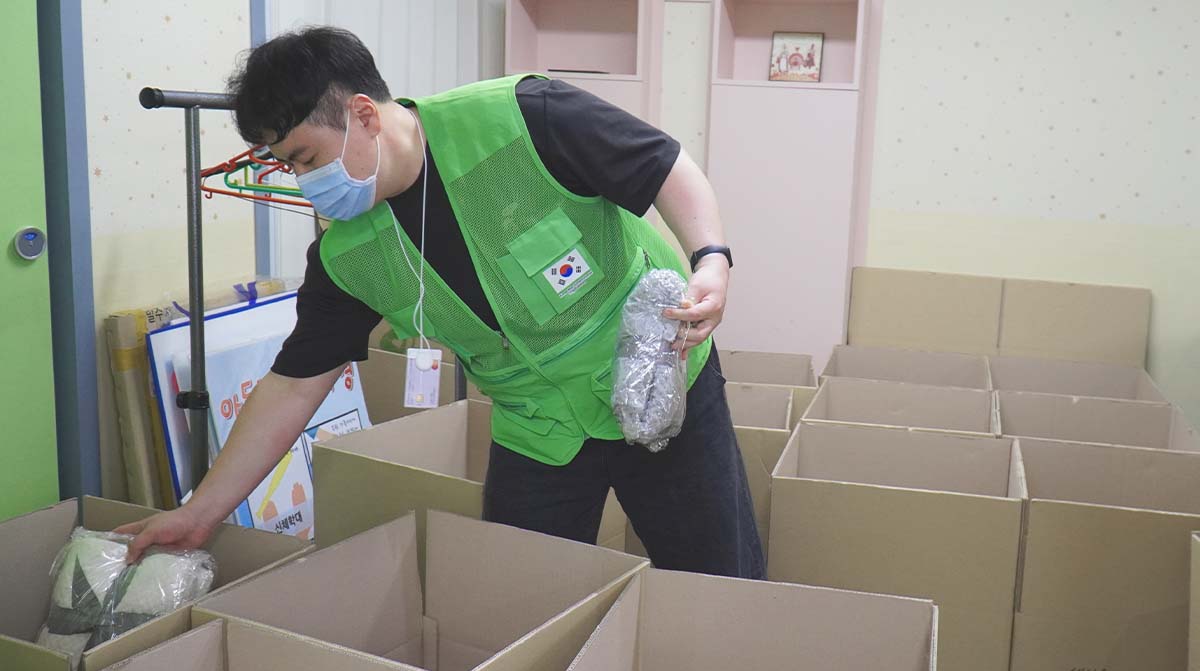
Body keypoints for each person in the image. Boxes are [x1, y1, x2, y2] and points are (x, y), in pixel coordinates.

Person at [117, 27, 762, 579]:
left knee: (714, 575)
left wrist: (711, 257)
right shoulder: (347, 255)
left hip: (654, 372)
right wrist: (200, 513)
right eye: (290, 167)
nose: (308, 183)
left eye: (308, 157)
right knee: (520, 601)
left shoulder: (521, 117)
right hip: (538, 426)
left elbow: (664, 165)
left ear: (364, 115)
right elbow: (292, 386)